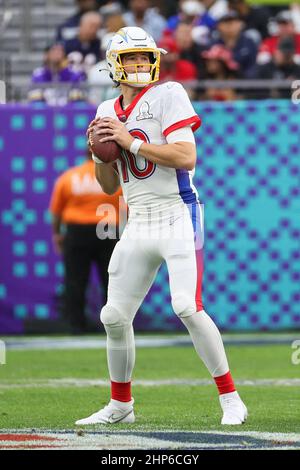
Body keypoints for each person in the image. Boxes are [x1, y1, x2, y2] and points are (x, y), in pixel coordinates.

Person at [75, 26, 247, 426]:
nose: (139, 64)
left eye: (143, 57)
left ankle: (230, 398)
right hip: (139, 220)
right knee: (113, 315)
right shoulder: (104, 110)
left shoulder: (169, 94)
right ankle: (121, 405)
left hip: (177, 213)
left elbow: (186, 156)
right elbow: (109, 186)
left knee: (187, 305)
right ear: (115, 64)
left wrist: (128, 141)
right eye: (131, 58)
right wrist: (100, 156)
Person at [49, 150, 123, 334]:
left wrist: (57, 234)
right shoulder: (115, 178)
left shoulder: (69, 177)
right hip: (108, 230)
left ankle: (75, 324)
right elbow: (126, 207)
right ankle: (113, 324)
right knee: (111, 280)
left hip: (77, 231)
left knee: (75, 279)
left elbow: (56, 211)